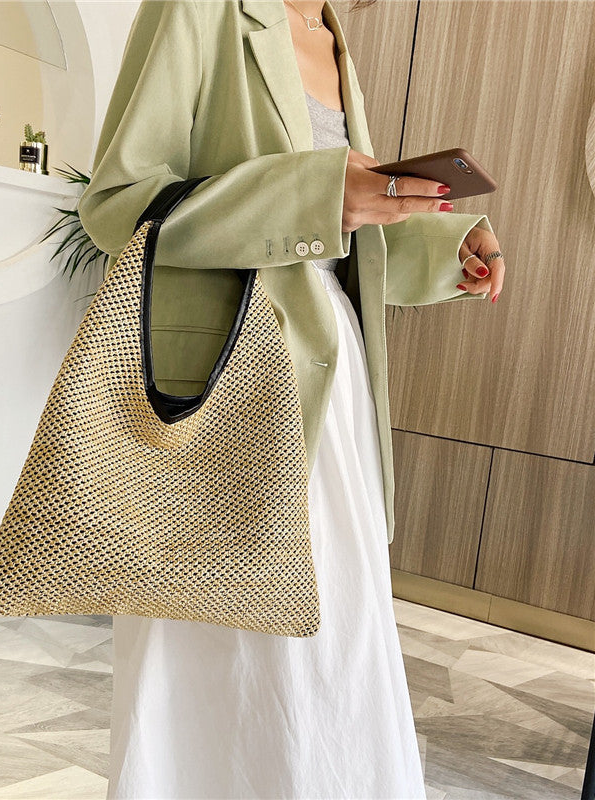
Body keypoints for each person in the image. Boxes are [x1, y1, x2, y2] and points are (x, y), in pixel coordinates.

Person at [78, 1, 507, 797]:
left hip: (331, 389)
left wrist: (450, 245)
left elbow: (344, 238)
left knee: (333, 660)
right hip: (231, 385)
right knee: (226, 661)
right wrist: (315, 197)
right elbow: (120, 206)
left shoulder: (333, 35)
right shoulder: (201, 8)